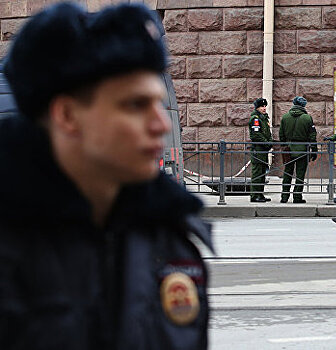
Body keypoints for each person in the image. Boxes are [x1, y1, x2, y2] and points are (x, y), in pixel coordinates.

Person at [0, 2, 213, 349]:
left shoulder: (169, 240)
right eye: (135, 105)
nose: (161, 124)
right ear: (67, 115)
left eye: (159, 103)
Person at [279, 96, 318, 203]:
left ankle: (284, 196)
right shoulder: (307, 118)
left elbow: (281, 134)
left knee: (287, 173)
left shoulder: (285, 117)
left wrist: (284, 146)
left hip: (288, 149)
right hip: (302, 149)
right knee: (300, 174)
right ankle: (297, 196)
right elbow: (312, 136)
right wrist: (314, 150)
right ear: (303, 105)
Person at [249, 98, 273, 202]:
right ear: (257, 107)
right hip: (258, 150)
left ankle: (260, 194)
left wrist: (270, 141)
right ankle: (255, 195)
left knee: (262, 173)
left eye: (265, 106)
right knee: (257, 173)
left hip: (263, 150)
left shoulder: (264, 118)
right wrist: (266, 142)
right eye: (262, 106)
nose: (264, 108)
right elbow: (256, 135)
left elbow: (268, 133)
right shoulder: (255, 119)